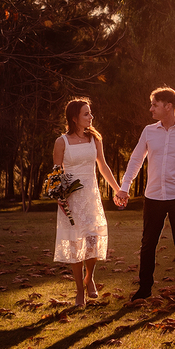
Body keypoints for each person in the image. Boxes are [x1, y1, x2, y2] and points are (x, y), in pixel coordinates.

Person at [114, 86, 175, 304]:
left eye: (155, 104)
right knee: (148, 244)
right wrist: (125, 186)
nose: (151, 109)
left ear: (169, 106)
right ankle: (144, 289)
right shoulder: (148, 131)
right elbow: (136, 159)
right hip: (153, 196)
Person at [52, 98, 121, 308]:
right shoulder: (61, 142)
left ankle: (89, 277)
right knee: (75, 243)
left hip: (91, 195)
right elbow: (56, 173)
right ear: (74, 118)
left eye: (90, 113)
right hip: (71, 198)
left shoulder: (95, 139)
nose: (91, 117)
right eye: (86, 114)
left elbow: (103, 166)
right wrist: (59, 198)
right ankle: (79, 291)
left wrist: (118, 189)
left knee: (92, 239)